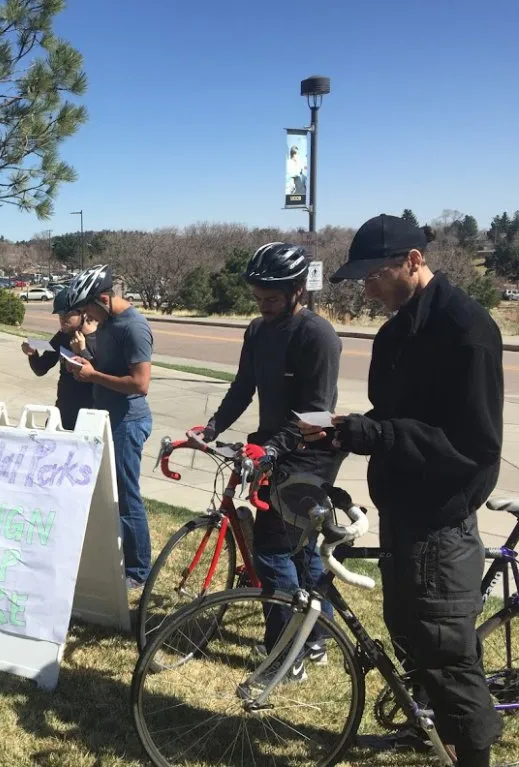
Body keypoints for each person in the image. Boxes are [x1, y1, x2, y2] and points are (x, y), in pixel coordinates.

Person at [301, 214, 503, 767]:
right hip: (403, 508)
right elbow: (394, 420)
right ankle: (429, 728)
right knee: (410, 632)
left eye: (375, 274)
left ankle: (473, 754)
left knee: (445, 651)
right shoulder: (396, 331)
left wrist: (374, 431)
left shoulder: (467, 331)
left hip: (440, 515)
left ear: (414, 261)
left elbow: (474, 446)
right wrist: (347, 428)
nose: (367, 286)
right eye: (360, 276)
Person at [189, 242, 344, 678]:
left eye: (271, 299)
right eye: (257, 299)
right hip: (272, 443)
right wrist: (213, 427)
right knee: (299, 551)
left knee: (273, 552)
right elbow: (243, 387)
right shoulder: (257, 331)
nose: (263, 306)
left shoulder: (318, 336)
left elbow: (317, 411)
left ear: (298, 290)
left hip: (311, 452)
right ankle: (316, 635)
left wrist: (273, 449)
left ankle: (285, 651)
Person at [67, 265, 153, 589]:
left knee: (127, 497)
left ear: (104, 297)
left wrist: (93, 376)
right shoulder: (105, 323)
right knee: (108, 495)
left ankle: (139, 571)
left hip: (128, 422)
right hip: (104, 417)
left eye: (87, 307)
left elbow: (140, 383)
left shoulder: (133, 327)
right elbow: (103, 366)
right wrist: (83, 357)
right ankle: (118, 558)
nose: (85, 315)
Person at [20, 286, 98, 430]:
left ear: (83, 313)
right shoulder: (63, 336)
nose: (62, 319)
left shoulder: (100, 339)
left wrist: (82, 352)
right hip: (63, 413)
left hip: (90, 417)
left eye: (67, 314)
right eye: (59, 314)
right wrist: (32, 353)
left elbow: (101, 376)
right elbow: (41, 368)